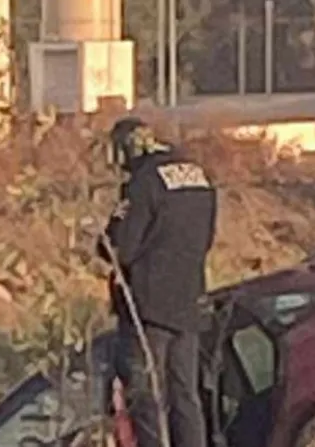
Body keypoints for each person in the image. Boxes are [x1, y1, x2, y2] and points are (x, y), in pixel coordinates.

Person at [99, 117, 217, 447]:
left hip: (148, 307)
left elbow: (120, 246)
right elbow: (207, 238)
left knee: (146, 396)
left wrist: (103, 237)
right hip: (190, 301)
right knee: (185, 396)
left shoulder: (144, 182)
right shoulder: (199, 176)